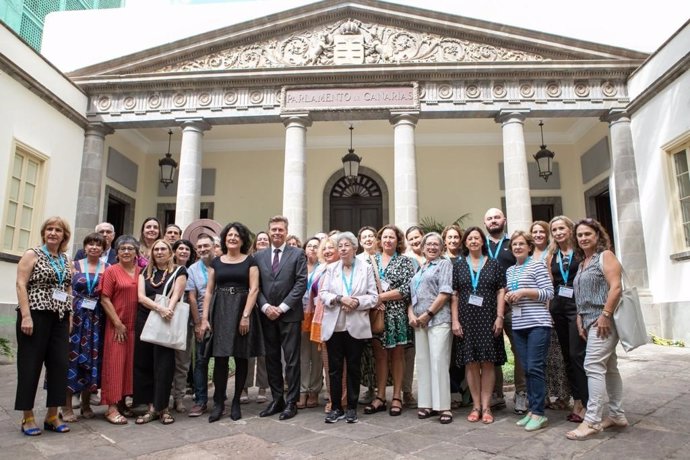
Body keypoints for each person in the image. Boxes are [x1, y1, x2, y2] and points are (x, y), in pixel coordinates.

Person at [566, 218, 627, 440]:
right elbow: (582, 295)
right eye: (580, 235)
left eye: (587, 234)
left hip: (604, 322)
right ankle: (617, 415)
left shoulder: (605, 256)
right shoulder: (583, 262)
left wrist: (605, 315)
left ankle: (591, 420)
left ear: (597, 236)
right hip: (590, 320)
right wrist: (581, 318)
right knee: (609, 368)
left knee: (592, 365)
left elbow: (616, 287)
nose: (583, 238)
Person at [200, 222, 264, 422]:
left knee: (241, 356)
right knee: (220, 358)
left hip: (241, 310)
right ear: (225, 239)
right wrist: (204, 318)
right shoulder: (216, 262)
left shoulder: (250, 261)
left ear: (243, 240)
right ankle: (219, 403)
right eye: (229, 235)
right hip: (220, 310)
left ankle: (236, 401)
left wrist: (245, 316)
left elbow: (254, 289)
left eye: (237, 235)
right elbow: (209, 290)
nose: (233, 238)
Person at [15, 217, 73, 436]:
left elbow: (67, 288)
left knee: (59, 366)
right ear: (44, 232)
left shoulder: (65, 259)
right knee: (30, 366)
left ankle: (52, 415)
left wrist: (69, 316)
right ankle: (27, 417)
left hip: (59, 318)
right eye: (49, 229)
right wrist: (26, 316)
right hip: (36, 316)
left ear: (64, 235)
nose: (53, 233)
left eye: (58, 230)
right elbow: (21, 284)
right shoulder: (32, 254)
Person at [319, 232, 378, 424]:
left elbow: (373, 296)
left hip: (356, 324)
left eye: (347, 245)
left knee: (353, 368)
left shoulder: (366, 268)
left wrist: (355, 301)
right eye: (340, 246)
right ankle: (336, 407)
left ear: (354, 248)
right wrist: (339, 299)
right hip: (335, 325)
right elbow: (324, 293)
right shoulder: (331, 269)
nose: (343, 248)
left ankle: (352, 407)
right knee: (334, 369)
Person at [451, 226, 506, 425]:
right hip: (466, 319)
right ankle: (476, 406)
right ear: (465, 243)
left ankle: (487, 406)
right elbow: (454, 295)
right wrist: (455, 321)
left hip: (489, 318)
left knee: (488, 362)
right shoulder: (458, 266)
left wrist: (500, 316)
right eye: (470, 238)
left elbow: (501, 290)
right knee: (471, 363)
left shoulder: (494, 264)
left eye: (477, 238)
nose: (473, 241)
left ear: (482, 242)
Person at [255, 216, 308, 421]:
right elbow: (255, 286)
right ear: (269, 232)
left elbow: (301, 283)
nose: (277, 233)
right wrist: (266, 306)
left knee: (292, 360)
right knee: (271, 359)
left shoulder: (297, 254)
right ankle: (277, 399)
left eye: (280, 230)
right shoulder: (259, 256)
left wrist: (283, 307)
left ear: (286, 232)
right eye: (273, 229)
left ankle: (291, 402)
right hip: (267, 315)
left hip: (290, 315)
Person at [134, 239, 187, 425]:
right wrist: (159, 308)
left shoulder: (179, 271)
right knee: (145, 364)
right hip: (145, 319)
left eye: (163, 249)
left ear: (170, 252)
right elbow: (140, 297)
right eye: (156, 249)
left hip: (166, 320)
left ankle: (163, 407)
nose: (159, 252)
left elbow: (176, 295)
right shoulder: (144, 272)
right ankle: (151, 408)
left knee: (164, 365)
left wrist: (167, 310)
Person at [505, 230, 554, 432]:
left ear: (529, 246)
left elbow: (548, 292)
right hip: (519, 325)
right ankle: (532, 411)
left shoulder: (537, 265)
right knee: (526, 370)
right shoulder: (510, 271)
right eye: (514, 245)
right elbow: (511, 292)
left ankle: (539, 413)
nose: (517, 247)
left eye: (521, 244)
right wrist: (510, 297)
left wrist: (524, 292)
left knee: (535, 368)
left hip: (538, 324)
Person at [365, 225, 414, 417]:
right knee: (380, 356)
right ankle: (380, 396)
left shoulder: (405, 262)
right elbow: (366, 286)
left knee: (397, 355)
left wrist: (380, 298)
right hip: (377, 314)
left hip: (398, 315)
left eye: (391, 237)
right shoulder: (371, 261)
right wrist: (375, 300)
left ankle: (396, 397)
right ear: (380, 240)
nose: (388, 240)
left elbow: (407, 288)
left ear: (398, 240)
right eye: (384, 237)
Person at [61, 232, 108, 422]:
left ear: (104, 249)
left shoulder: (108, 268)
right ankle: (66, 407)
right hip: (76, 319)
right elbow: (65, 291)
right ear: (85, 246)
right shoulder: (74, 266)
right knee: (71, 360)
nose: (94, 247)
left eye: (98, 244)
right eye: (91, 244)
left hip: (97, 320)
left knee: (93, 360)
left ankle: (87, 404)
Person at [408, 232, 453, 424]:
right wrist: (412, 315)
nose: (432, 247)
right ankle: (426, 404)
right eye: (429, 244)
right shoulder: (421, 267)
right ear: (423, 247)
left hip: (438, 319)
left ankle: (443, 407)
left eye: (436, 244)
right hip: (419, 322)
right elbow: (413, 296)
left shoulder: (444, 264)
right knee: (424, 362)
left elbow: (445, 293)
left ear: (442, 248)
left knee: (438, 361)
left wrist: (428, 314)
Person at [484, 207, 525, 413]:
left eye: (496, 217)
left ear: (504, 220)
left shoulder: (514, 245)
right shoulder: (480, 245)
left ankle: (521, 393)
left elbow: (524, 268)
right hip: (486, 308)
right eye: (489, 218)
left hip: (512, 306)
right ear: (485, 223)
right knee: (492, 352)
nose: (493, 221)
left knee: (519, 349)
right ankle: (496, 394)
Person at [547, 216, 588, 421]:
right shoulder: (551, 255)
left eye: (561, 228)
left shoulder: (580, 252)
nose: (558, 232)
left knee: (576, 355)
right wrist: (549, 311)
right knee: (566, 357)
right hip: (558, 309)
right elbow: (550, 284)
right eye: (554, 230)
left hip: (577, 308)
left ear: (570, 229)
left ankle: (586, 402)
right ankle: (577, 401)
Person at [100, 235, 141, 425]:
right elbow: (105, 298)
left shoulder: (141, 271)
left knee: (129, 367)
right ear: (117, 253)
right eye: (122, 249)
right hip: (118, 326)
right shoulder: (112, 271)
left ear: (136, 252)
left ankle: (123, 403)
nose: (126, 252)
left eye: (130, 249)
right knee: (115, 365)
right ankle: (112, 407)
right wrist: (117, 323)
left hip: (136, 327)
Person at [186, 233, 215, 417]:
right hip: (201, 320)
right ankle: (201, 400)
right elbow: (192, 297)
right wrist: (198, 323)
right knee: (201, 361)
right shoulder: (193, 269)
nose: (203, 249)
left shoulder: (221, 264)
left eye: (206, 246)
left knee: (220, 359)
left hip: (220, 318)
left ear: (213, 247)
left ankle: (219, 397)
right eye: (200, 247)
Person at [243, 229, 271, 404]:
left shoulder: (272, 260)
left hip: (267, 309)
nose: (262, 241)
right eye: (259, 239)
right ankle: (244, 387)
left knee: (263, 351)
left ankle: (262, 386)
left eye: (265, 239)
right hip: (249, 308)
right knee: (246, 350)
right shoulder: (248, 260)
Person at [298, 237, 325, 409]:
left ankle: (314, 390)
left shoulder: (324, 268)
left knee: (317, 355)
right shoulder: (298, 267)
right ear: (305, 249)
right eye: (310, 246)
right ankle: (302, 390)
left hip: (318, 314)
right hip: (300, 313)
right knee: (302, 355)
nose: (313, 249)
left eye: (316, 246)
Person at [170, 239, 197, 413]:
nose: (183, 251)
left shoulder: (192, 271)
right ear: (174, 251)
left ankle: (178, 398)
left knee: (182, 361)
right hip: (168, 317)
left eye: (187, 249)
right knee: (165, 360)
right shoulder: (167, 269)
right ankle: (163, 396)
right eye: (180, 248)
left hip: (186, 321)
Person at [402, 225, 425, 408]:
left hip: (433, 311)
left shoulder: (434, 255)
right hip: (410, 311)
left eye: (417, 237)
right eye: (411, 239)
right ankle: (407, 391)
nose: (415, 241)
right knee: (409, 353)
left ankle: (429, 391)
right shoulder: (406, 260)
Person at [356, 225, 379, 405]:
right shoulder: (356, 260)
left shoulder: (380, 258)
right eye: (365, 237)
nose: (368, 239)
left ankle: (380, 388)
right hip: (362, 310)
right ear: (360, 240)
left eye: (371, 236)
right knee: (365, 352)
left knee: (380, 350)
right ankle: (370, 387)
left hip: (380, 308)